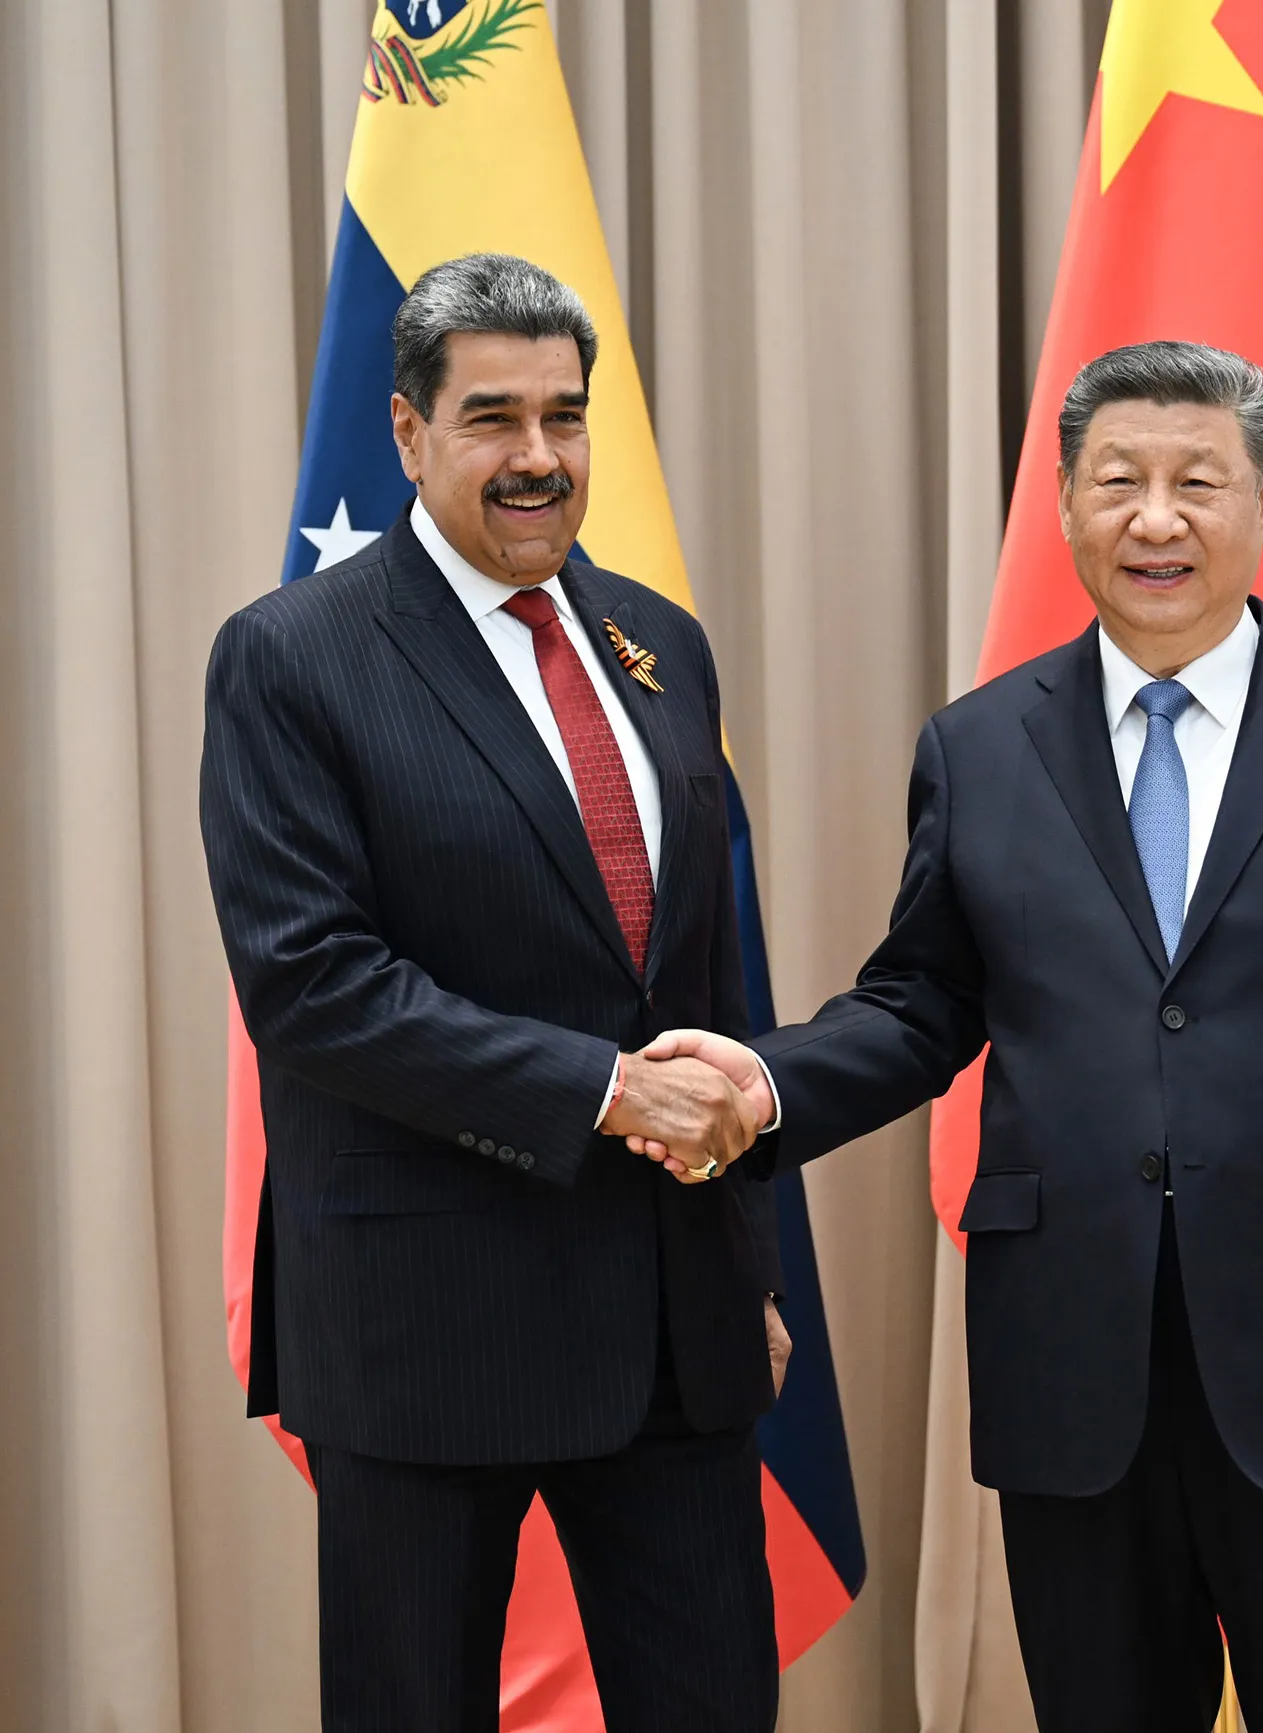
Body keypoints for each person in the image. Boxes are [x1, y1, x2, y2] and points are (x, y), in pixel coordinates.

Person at [639, 340, 1263, 1732]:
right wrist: (767, 1080)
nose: (1157, 518)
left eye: (1199, 481)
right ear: (1066, 512)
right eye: (1118, 482)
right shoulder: (978, 749)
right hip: (1074, 1361)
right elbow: (920, 1004)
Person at [201, 252, 788, 1733]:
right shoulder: (293, 659)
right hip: (425, 1329)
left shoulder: (665, 648)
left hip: (671, 1322)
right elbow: (312, 984)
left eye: (565, 416)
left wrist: (743, 1263)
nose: (539, 457)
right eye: (492, 417)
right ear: (408, 433)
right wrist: (597, 1091)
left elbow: (701, 985)